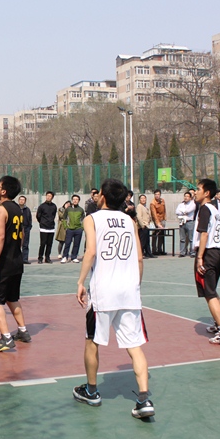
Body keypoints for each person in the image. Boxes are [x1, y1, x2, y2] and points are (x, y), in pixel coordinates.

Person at [73, 179, 154, 419]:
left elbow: (91, 251)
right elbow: (139, 258)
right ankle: (144, 399)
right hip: (129, 292)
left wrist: (80, 282)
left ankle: (92, 391)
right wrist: (136, 285)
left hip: (103, 292)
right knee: (134, 346)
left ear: (103, 196)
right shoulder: (130, 221)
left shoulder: (92, 219)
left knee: (92, 341)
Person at [0, 176, 31, 352]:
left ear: (3, 191)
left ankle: (6, 338)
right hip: (16, 260)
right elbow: (22, 235)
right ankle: (23, 331)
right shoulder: (17, 209)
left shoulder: (0, 209)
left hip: (4, 262)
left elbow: (0, 236)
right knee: (12, 298)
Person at [192, 179, 220, 346]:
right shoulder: (215, 209)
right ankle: (219, 324)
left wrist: (200, 257)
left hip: (208, 253)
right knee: (212, 291)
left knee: (209, 293)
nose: (195, 192)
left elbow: (204, 234)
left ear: (207, 193)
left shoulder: (204, 209)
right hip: (218, 253)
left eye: (198, 189)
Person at [61, 195, 85, 263]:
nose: (75, 200)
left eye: (76, 199)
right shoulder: (68, 209)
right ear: (72, 200)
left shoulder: (81, 210)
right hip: (69, 229)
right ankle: (65, 257)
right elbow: (64, 218)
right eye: (74, 199)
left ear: (79, 201)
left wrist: (82, 227)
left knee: (76, 244)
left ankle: (74, 257)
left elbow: (84, 219)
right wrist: (66, 227)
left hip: (78, 229)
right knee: (67, 243)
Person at [36, 191, 57, 264]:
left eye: (50, 196)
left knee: (49, 244)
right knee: (42, 244)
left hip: (51, 228)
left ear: (52, 197)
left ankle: (47, 258)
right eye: (47, 196)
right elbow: (38, 216)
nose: (48, 197)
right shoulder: (41, 206)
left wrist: (50, 222)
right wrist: (42, 222)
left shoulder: (54, 206)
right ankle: (40, 258)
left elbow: (54, 215)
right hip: (43, 228)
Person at [175, 191, 196, 257]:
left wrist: (182, 211)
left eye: (187, 196)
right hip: (182, 222)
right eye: (185, 196)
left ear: (190, 198)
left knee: (191, 238)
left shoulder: (193, 204)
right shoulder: (181, 204)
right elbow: (177, 212)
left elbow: (188, 211)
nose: (186, 198)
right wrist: (183, 212)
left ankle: (192, 252)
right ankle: (182, 252)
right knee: (182, 238)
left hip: (190, 222)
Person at [136, 194, 154, 258]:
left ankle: (148, 253)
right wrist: (142, 225)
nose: (143, 199)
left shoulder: (145, 207)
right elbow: (139, 216)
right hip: (142, 226)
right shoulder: (139, 206)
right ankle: (141, 253)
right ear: (139, 200)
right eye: (142, 198)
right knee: (142, 241)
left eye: (144, 198)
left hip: (147, 225)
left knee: (147, 241)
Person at [150, 189, 167, 255]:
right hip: (156, 220)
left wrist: (164, 219)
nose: (157, 196)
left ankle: (160, 249)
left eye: (158, 194)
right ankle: (154, 250)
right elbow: (154, 214)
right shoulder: (152, 203)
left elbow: (164, 210)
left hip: (162, 219)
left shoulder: (162, 201)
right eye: (156, 194)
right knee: (155, 235)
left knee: (162, 235)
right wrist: (157, 223)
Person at [18, 195, 33, 264]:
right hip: (17, 228)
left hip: (26, 228)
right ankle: (17, 259)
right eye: (20, 199)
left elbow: (30, 219)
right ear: (18, 200)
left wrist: (29, 227)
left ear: (25, 201)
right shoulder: (16, 208)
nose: (21, 201)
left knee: (25, 244)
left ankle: (25, 259)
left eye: (23, 200)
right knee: (17, 244)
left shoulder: (27, 210)